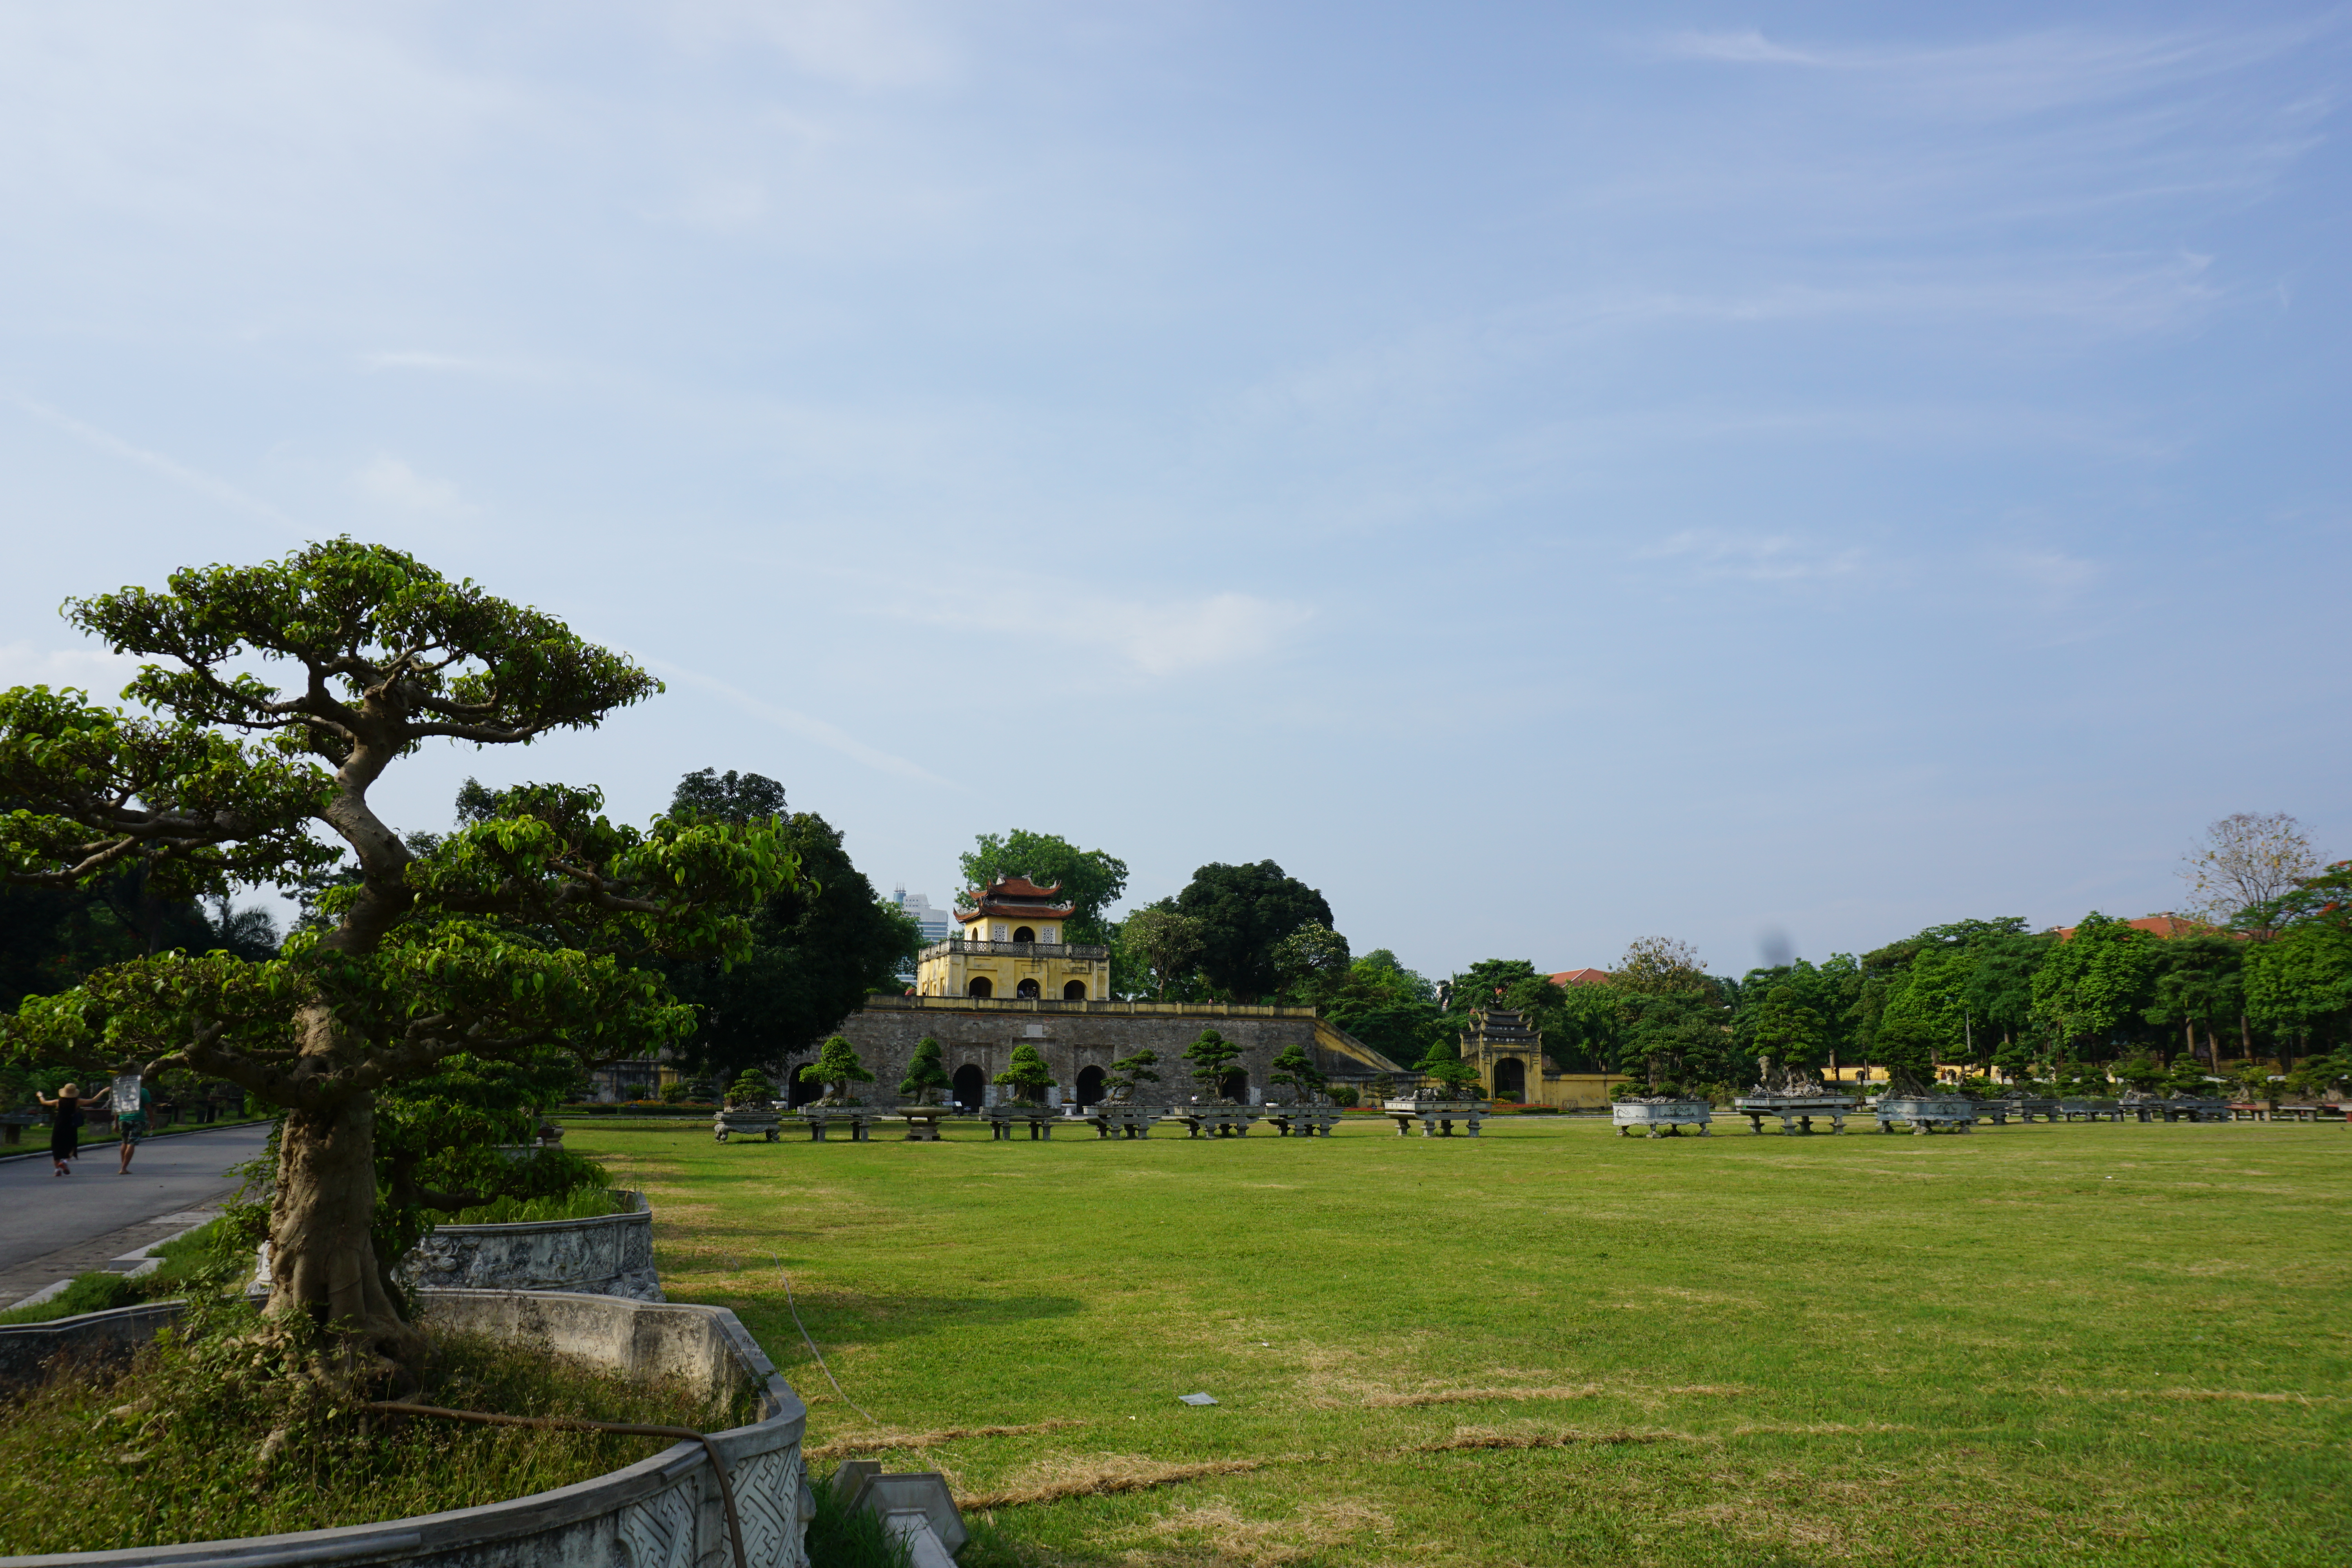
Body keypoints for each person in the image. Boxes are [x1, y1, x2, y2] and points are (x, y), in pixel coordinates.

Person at [34, 1082, 109, 1177]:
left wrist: (40, 1095)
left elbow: (44, 1102)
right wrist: (103, 1091)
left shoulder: (58, 1102)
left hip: (59, 1125)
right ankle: (65, 1161)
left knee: (56, 1147)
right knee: (72, 1146)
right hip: (71, 1125)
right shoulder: (77, 1102)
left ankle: (57, 1170)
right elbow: (93, 1100)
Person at [113, 1075, 153, 1175]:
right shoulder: (143, 1091)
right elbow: (148, 1108)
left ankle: (124, 1167)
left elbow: (117, 1108)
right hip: (137, 1119)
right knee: (132, 1143)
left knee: (124, 1142)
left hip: (123, 1119)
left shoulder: (122, 1091)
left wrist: (116, 1123)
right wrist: (153, 1121)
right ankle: (123, 1168)